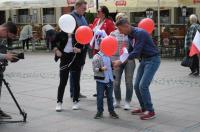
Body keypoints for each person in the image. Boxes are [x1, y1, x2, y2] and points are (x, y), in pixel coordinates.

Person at [113, 18, 160, 120]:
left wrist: (120, 61)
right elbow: (130, 51)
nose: (120, 32)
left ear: (126, 26)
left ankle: (150, 111)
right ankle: (144, 108)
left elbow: (136, 52)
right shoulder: (130, 35)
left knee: (143, 85)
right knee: (136, 85)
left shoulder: (140, 33)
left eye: (121, 30)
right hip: (144, 60)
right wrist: (120, 61)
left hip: (153, 60)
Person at [55, 0, 88, 111]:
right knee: (63, 81)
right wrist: (56, 50)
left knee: (75, 81)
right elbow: (54, 40)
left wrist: (80, 50)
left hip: (76, 57)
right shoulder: (64, 29)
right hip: (65, 58)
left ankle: (75, 101)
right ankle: (59, 102)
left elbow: (84, 41)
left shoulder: (80, 27)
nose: (85, 10)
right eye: (83, 8)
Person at [110, 13, 135, 110]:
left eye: (123, 18)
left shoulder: (131, 32)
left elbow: (135, 46)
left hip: (129, 59)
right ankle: (117, 100)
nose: (121, 19)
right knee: (116, 82)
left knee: (129, 82)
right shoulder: (113, 33)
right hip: (116, 59)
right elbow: (109, 46)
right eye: (119, 18)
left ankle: (128, 102)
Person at [90, 5, 115, 97]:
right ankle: (100, 90)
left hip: (105, 49)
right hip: (96, 48)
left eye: (98, 11)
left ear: (103, 13)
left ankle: (106, 91)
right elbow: (92, 32)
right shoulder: (96, 20)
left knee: (105, 68)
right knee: (98, 69)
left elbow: (112, 35)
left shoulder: (109, 22)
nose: (97, 13)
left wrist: (103, 35)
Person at [69, 0, 88, 99]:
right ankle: (73, 92)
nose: (85, 10)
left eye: (85, 8)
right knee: (74, 71)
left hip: (83, 48)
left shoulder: (83, 18)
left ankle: (76, 91)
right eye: (83, 8)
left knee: (79, 70)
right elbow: (68, 34)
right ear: (77, 7)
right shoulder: (71, 17)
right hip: (75, 49)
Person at [92, 49, 119, 119]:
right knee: (100, 96)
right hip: (101, 81)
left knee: (110, 97)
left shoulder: (109, 56)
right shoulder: (96, 56)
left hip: (109, 80)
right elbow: (95, 69)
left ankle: (111, 111)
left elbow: (111, 67)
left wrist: (114, 66)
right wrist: (102, 69)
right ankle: (99, 112)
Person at [0, 22, 18, 119]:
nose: (7, 38)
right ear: (5, 30)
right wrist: (5, 56)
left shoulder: (2, 37)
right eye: (8, 36)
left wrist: (9, 55)